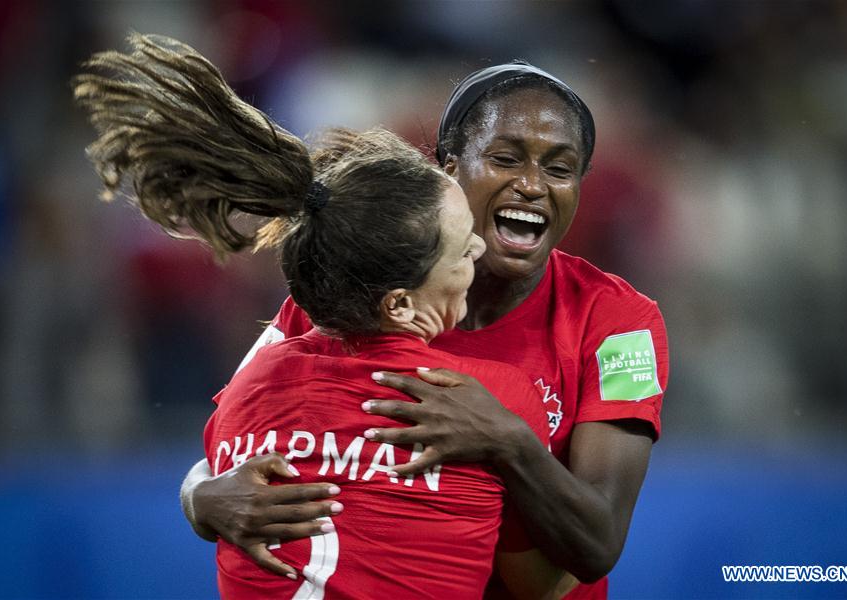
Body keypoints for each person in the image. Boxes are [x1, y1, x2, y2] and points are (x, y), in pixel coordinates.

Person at [73, 34, 556, 599]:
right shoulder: (494, 399)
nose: (478, 250)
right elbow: (548, 583)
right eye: (460, 248)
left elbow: (214, 465)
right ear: (399, 304)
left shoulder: (244, 392)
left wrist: (199, 497)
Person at [181, 62, 669, 598]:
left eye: (560, 169)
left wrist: (507, 441)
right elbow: (234, 441)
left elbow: (598, 544)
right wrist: (201, 499)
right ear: (449, 166)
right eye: (505, 159)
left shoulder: (621, 324)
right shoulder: (355, 288)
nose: (532, 185)